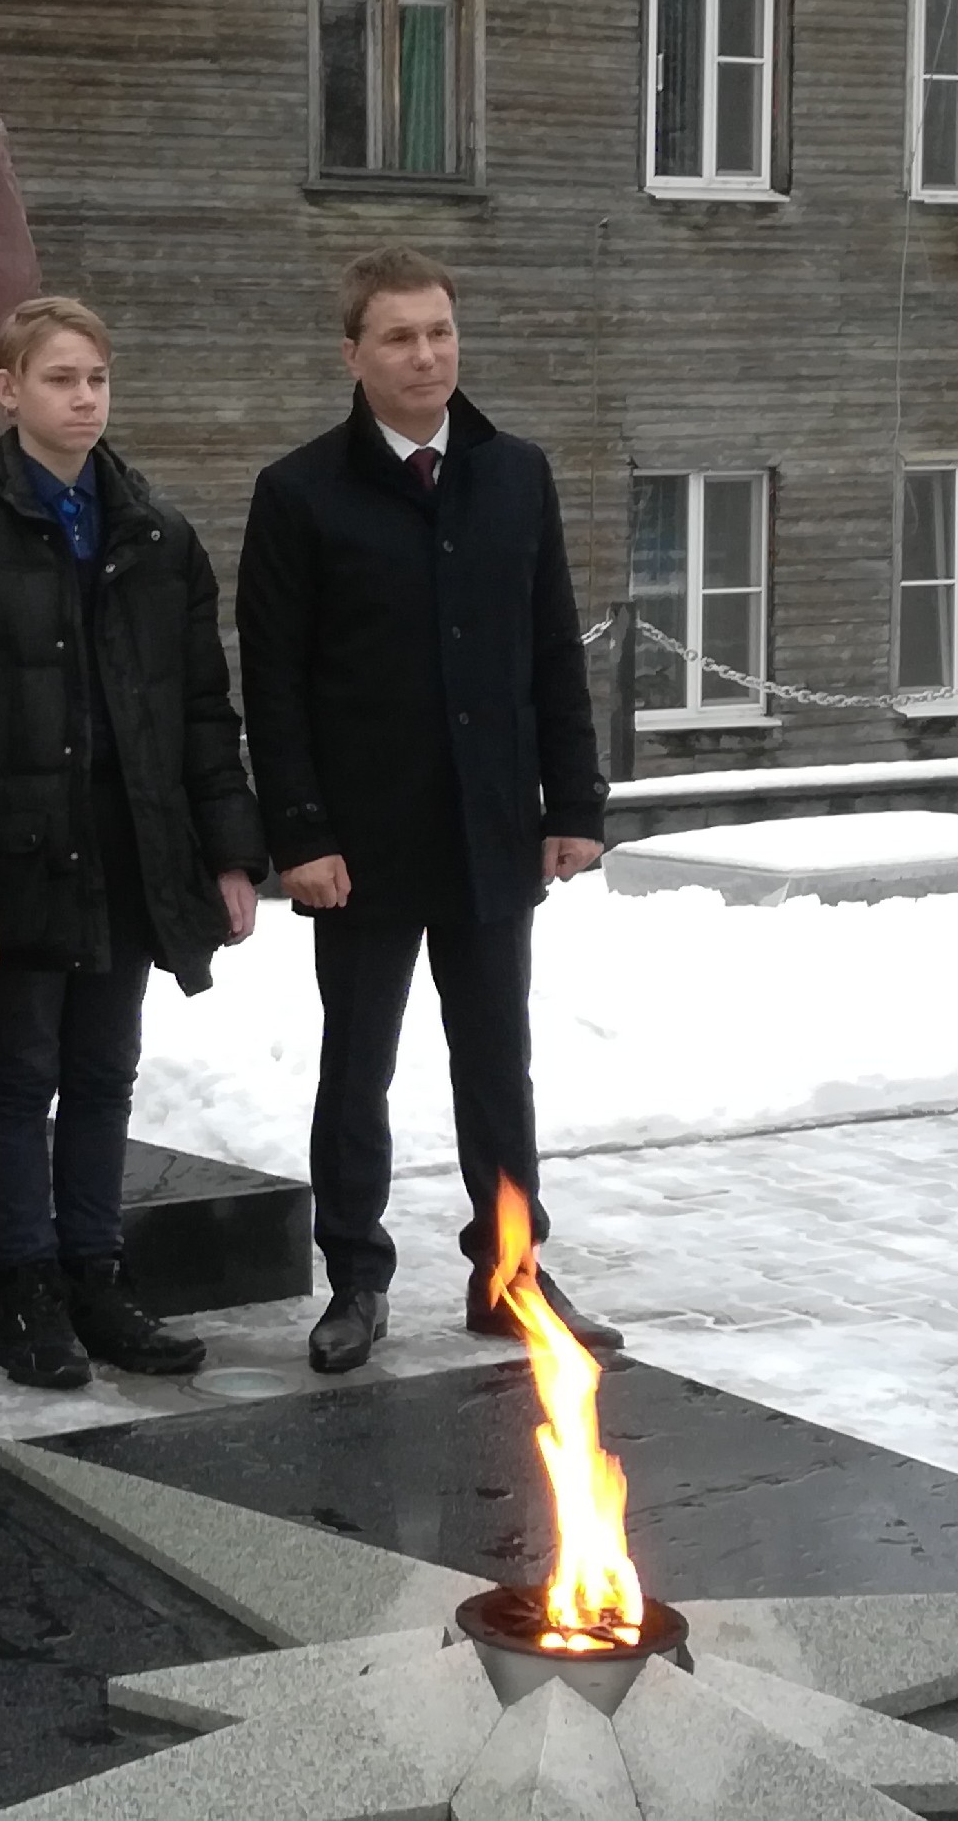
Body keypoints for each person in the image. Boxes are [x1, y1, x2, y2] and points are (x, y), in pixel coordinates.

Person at [235, 246, 623, 1377]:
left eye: (440, 332)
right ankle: (354, 1278)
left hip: (493, 827)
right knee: (357, 1067)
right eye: (399, 337)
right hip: (359, 845)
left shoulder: (515, 475)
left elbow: (552, 646)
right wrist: (299, 832)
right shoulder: (300, 493)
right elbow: (275, 678)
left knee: (495, 1062)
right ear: (351, 353)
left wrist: (574, 800)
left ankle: (509, 1274)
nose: (426, 355)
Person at [0, 299, 267, 1391]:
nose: (84, 398)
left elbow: (202, 707)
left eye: (96, 377)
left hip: (131, 855)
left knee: (106, 1071)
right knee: (24, 1075)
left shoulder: (156, 535)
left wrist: (227, 853)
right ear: (7, 392)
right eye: (60, 379)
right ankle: (28, 1286)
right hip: (18, 862)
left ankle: (98, 1273)